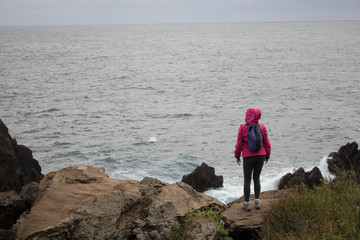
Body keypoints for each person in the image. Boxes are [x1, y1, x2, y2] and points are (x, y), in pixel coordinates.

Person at [234, 108, 271, 211]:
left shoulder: (242, 127)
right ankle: (257, 201)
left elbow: (238, 144)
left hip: (248, 156)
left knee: (247, 179)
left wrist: (237, 155)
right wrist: (267, 155)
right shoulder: (262, 127)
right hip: (261, 155)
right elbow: (267, 143)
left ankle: (246, 204)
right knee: (257, 178)